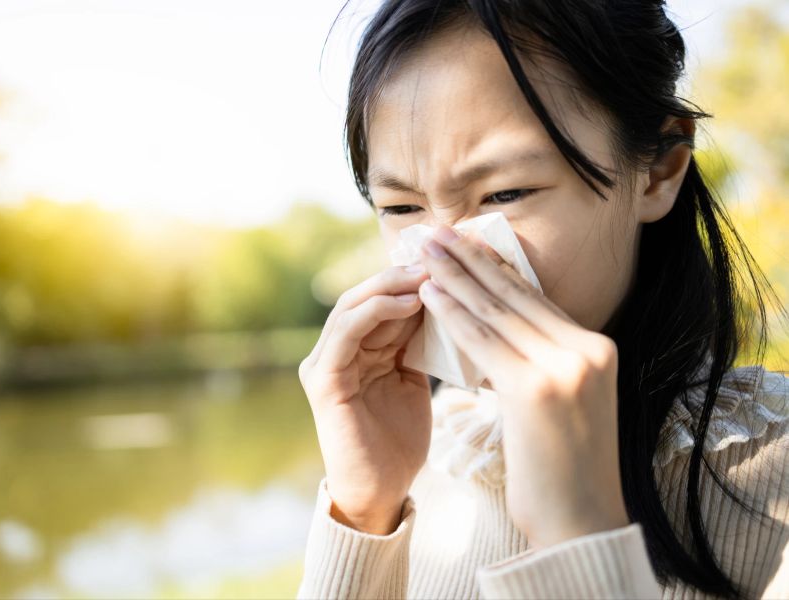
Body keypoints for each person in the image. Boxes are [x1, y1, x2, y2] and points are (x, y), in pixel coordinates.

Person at [296, 1, 789, 598]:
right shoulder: (431, 449)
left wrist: (579, 534)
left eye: (505, 193)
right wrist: (364, 512)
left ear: (658, 171)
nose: (445, 260)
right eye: (402, 208)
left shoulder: (771, 465)